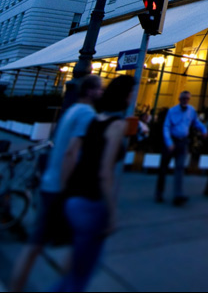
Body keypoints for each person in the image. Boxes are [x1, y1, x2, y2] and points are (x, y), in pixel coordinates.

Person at [8, 74, 103, 292]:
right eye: (99, 89)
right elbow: (71, 153)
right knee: (78, 243)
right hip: (63, 187)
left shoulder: (70, 111)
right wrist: (67, 189)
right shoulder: (87, 114)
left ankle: (17, 286)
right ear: (89, 91)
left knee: (37, 243)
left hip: (50, 182)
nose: (102, 92)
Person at [53, 75, 136, 293]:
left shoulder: (93, 119)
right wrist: (112, 211)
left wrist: (63, 191)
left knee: (75, 268)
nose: (131, 98)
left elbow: (71, 153)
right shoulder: (117, 125)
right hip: (92, 201)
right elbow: (105, 173)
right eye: (130, 94)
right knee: (80, 277)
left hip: (74, 197)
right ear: (124, 97)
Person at [156, 90, 207, 205]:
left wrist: (204, 130)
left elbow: (196, 122)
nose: (185, 100)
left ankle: (178, 195)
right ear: (179, 99)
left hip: (182, 142)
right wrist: (169, 142)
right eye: (183, 98)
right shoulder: (172, 111)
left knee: (179, 169)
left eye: (187, 98)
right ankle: (159, 193)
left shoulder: (191, 111)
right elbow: (166, 126)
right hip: (171, 141)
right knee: (163, 168)